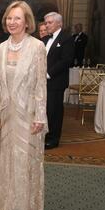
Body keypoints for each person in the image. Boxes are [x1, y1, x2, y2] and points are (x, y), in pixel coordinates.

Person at [0, 1, 47, 210]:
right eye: (9, 18)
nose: (12, 22)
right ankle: (6, 209)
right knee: (8, 162)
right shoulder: (1, 49)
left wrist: (40, 117)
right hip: (7, 115)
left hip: (29, 115)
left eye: (17, 18)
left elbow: (41, 85)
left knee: (25, 163)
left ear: (27, 22)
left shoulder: (37, 47)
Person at [42, 12, 74, 149]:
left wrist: (49, 74)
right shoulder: (44, 40)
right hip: (42, 82)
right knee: (44, 110)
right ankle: (43, 135)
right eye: (46, 22)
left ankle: (53, 139)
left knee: (54, 111)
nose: (47, 25)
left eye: (50, 22)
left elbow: (66, 60)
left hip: (55, 82)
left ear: (59, 23)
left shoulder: (67, 38)